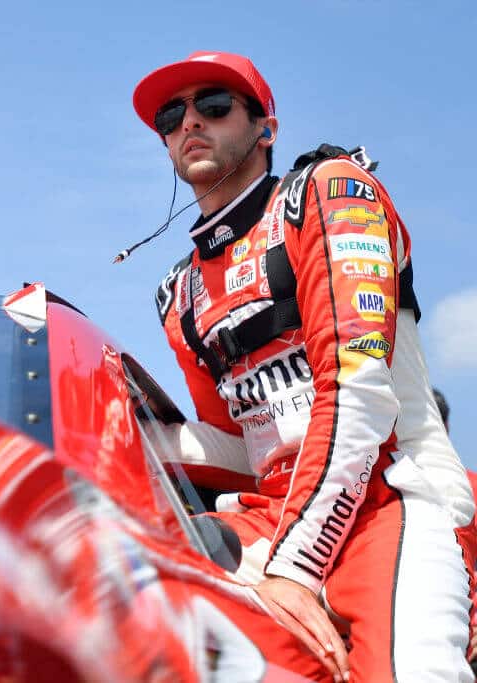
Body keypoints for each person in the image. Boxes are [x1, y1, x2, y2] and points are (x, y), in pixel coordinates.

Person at [130, 51, 477, 681]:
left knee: (413, 671)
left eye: (213, 105)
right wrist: (123, 426)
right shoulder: (177, 294)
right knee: (131, 591)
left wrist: (292, 568)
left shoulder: (333, 191)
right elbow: (243, 447)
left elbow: (361, 395)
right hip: (273, 510)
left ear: (266, 127)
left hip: (392, 493)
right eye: (170, 116)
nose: (190, 124)